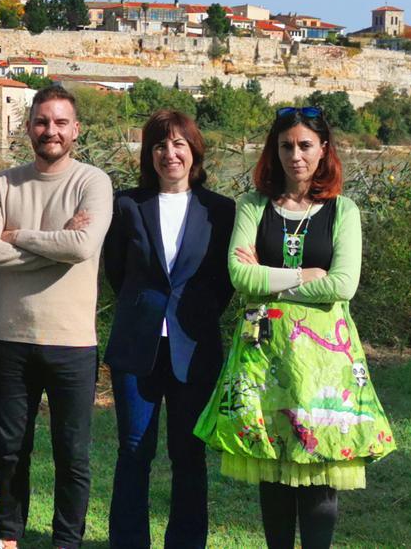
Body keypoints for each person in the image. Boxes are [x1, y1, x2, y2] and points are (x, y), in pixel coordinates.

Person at [194, 106, 396, 549]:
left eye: (305, 145)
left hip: (325, 359)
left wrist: (269, 280)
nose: (295, 156)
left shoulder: (343, 210)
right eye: (286, 146)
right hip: (265, 355)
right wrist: (307, 276)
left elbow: (343, 285)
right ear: (275, 150)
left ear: (324, 150)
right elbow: (239, 276)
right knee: (273, 465)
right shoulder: (252, 205)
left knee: (320, 467)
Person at [0, 86, 113, 549]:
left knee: (72, 455)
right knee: (11, 449)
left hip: (73, 342)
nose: (49, 131)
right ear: (28, 126)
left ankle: (65, 542)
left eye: (59, 123)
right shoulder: (2, 183)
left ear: (75, 130)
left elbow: (83, 247)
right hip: (10, 338)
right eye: (41, 121)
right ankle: (9, 537)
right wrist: (54, 245)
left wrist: (22, 236)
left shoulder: (93, 181)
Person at [102, 110, 235, 548]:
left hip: (193, 348)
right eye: (160, 145)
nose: (169, 153)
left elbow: (223, 281)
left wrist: (192, 315)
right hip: (137, 345)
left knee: (188, 454)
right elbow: (116, 273)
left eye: (178, 144)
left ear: (193, 150)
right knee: (134, 450)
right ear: (150, 154)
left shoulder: (221, 210)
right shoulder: (127, 205)